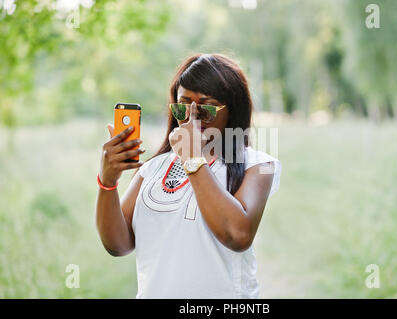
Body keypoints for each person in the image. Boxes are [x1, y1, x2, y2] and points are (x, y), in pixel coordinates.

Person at [95, 53, 281, 298]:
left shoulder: (256, 165)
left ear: (232, 111)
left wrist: (193, 158)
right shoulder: (153, 168)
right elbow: (118, 245)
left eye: (206, 109)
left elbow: (238, 235)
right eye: (183, 106)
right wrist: (107, 182)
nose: (192, 118)